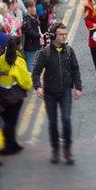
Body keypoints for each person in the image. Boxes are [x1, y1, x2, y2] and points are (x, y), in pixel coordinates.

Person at [32, 22, 83, 165]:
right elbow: (36, 72)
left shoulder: (69, 51)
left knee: (66, 120)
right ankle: (55, 149)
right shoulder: (45, 53)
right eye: (61, 34)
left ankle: (67, 150)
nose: (64, 37)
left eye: (65, 34)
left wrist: (78, 87)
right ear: (54, 36)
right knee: (53, 123)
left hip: (66, 90)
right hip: (50, 93)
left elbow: (75, 69)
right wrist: (38, 87)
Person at [0, 37, 32, 155]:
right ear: (19, 46)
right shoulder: (19, 60)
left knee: (9, 120)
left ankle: (13, 143)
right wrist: (30, 85)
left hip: (2, 94)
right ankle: (8, 147)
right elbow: (24, 80)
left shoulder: (2, 58)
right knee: (11, 122)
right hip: (15, 96)